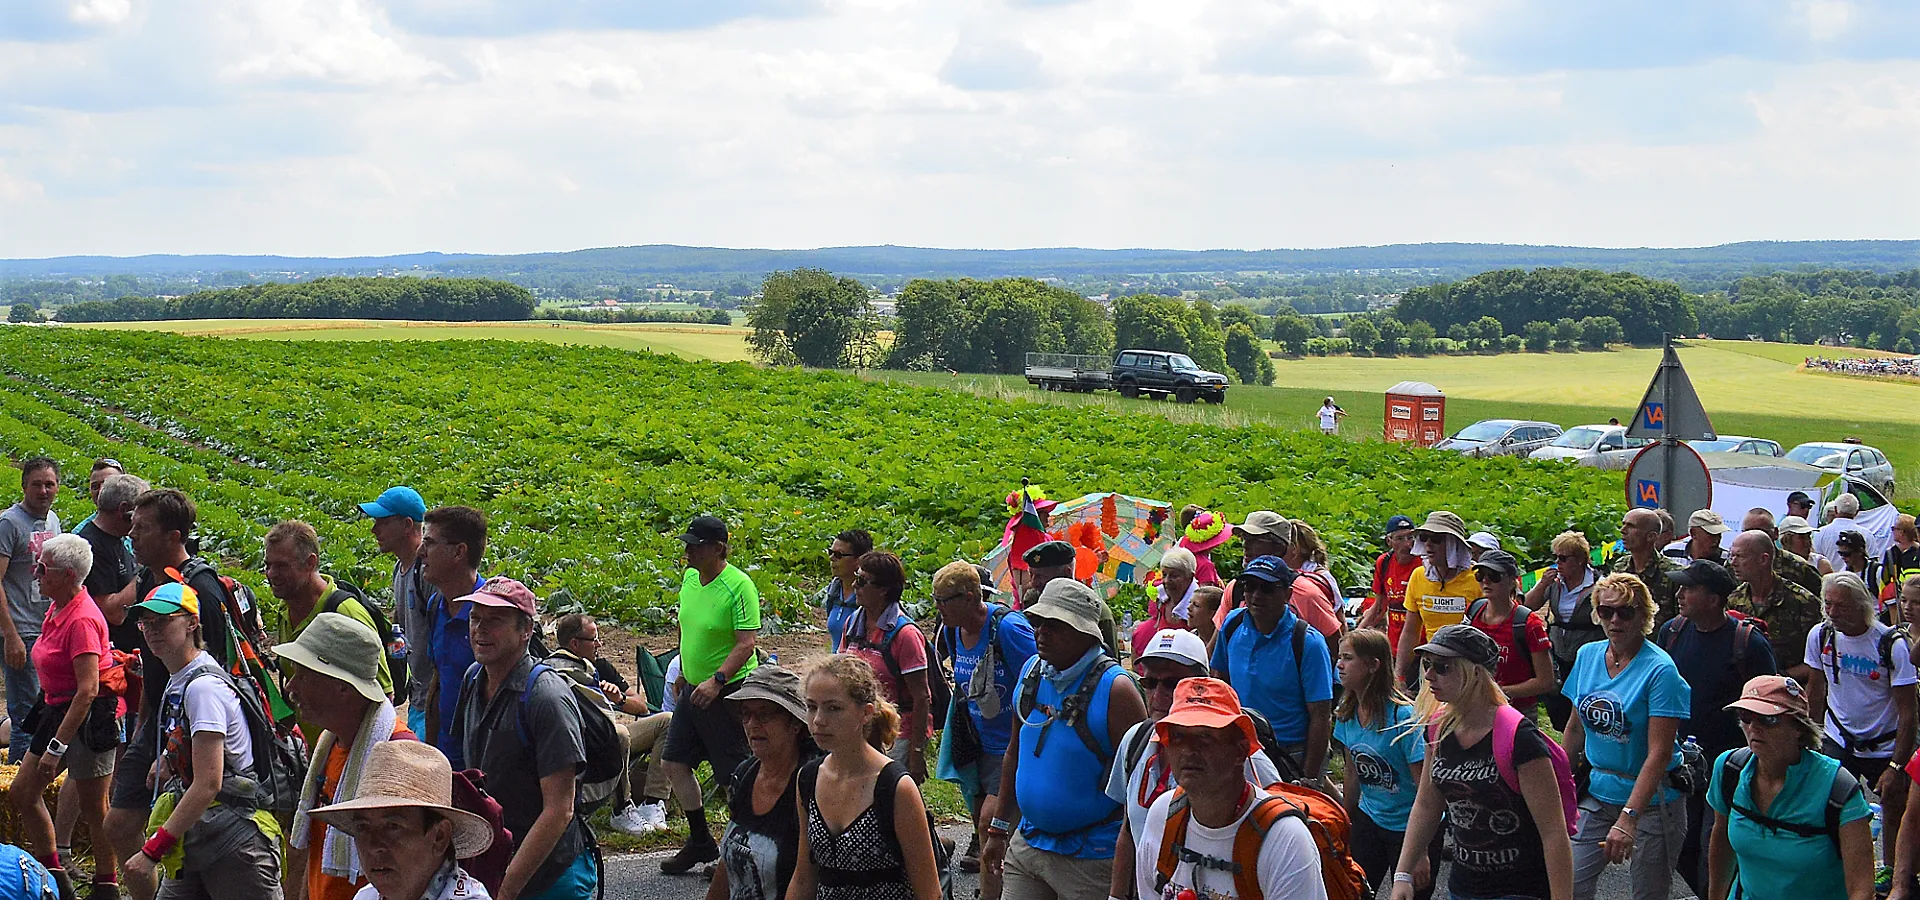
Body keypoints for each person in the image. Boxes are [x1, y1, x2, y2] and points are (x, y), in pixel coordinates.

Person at [981, 578, 1146, 900]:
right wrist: (999, 829)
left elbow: (1140, 782)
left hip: (1093, 856)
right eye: (1039, 622)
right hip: (1027, 843)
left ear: (1085, 633)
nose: (1041, 632)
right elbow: (1014, 753)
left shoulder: (1117, 690)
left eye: (1056, 625)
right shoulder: (1032, 672)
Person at [109, 489, 237, 900]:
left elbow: (215, 679)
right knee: (119, 824)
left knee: (182, 825)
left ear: (174, 536)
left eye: (142, 529)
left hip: (193, 726)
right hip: (159, 718)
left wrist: (172, 747)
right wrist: (145, 721)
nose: (132, 536)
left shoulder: (202, 590)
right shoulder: (148, 579)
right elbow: (152, 667)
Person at [122, 581, 284, 900]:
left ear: (192, 622)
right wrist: (167, 761)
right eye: (145, 623)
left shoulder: (202, 688)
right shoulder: (182, 677)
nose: (152, 630)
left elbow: (208, 782)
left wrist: (152, 852)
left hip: (235, 840)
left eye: (164, 620)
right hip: (198, 830)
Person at [1394, 624, 1572, 900]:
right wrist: (1403, 874)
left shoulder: (1519, 737)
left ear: (1474, 673)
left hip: (1520, 891)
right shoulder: (1438, 727)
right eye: (1427, 664)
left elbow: (1553, 832)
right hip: (1463, 888)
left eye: (1442, 667)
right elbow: (1428, 803)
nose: (1428, 675)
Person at [1105, 630, 1282, 900]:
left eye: (1172, 683)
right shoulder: (1136, 741)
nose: (1158, 694)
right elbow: (1129, 831)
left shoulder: (1243, 758)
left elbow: (1272, 828)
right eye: (1150, 682)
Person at [452, 577, 592, 900]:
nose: (480, 629)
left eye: (495, 621)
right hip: (495, 866)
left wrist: (506, 889)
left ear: (526, 630)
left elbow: (560, 809)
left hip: (551, 878)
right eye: (475, 618)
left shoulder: (546, 698)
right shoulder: (473, 679)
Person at [1130, 677, 1328, 900]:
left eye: (1205, 736)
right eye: (1177, 736)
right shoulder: (1162, 815)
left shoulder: (1285, 839)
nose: (1188, 750)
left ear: (1240, 751)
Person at [1561, 573, 1690, 900]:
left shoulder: (1661, 670)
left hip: (1651, 801)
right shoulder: (1588, 655)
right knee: (1568, 883)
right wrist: (1559, 786)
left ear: (1644, 615)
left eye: (1626, 612)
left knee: (1648, 893)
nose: (1615, 620)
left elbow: (1659, 753)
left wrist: (1629, 818)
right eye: (1606, 612)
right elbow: (1575, 728)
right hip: (1598, 791)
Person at [1656, 558, 1776, 896]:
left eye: (1689, 589)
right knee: (1681, 850)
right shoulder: (1672, 632)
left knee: (1716, 856)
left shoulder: (1748, 644)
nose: (1679, 594)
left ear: (1713, 599)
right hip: (1680, 767)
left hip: (1729, 768)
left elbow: (1771, 704)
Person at [14, 534, 119, 900]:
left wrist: (57, 747)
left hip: (87, 720)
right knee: (23, 793)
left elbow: (88, 690)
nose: (35, 574)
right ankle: (56, 878)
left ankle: (107, 884)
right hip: (54, 708)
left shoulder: (83, 620)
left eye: (43, 568)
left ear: (67, 575)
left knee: (94, 808)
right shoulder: (56, 606)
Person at [283, 613, 417, 900]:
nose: (290, 688)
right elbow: (318, 843)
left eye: (303, 676)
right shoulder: (328, 743)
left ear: (343, 686)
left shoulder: (397, 755)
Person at [788, 655, 941, 900]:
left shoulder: (895, 787)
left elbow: (929, 892)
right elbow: (805, 875)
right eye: (811, 706)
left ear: (866, 713)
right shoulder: (808, 778)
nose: (818, 720)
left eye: (833, 708)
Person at [1709, 675, 1874, 900]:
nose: (1753, 727)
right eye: (1746, 716)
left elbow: (1862, 890)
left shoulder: (1838, 789)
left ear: (1798, 727)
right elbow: (1721, 842)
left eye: (1768, 719)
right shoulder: (1729, 770)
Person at [661, 515, 760, 875]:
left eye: (696, 545)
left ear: (718, 548)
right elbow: (689, 629)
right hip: (693, 688)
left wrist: (717, 680)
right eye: (687, 544)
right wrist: (684, 670)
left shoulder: (739, 586)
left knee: (732, 774)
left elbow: (747, 644)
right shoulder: (690, 578)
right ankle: (701, 840)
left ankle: (740, 847)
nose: (688, 550)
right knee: (673, 763)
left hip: (727, 691)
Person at [932, 561, 1035, 888]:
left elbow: (1035, 679)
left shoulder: (1008, 628)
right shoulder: (950, 629)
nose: (939, 608)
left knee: (991, 824)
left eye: (944, 601)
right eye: (935, 600)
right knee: (985, 825)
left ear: (971, 597)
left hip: (1010, 747)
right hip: (976, 744)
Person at [1805, 570, 1915, 865]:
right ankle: (1837, 869)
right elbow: (1815, 691)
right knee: (1830, 808)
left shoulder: (1891, 644)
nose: (1832, 612)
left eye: (1840, 606)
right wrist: (1808, 740)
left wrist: (1896, 765)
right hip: (1839, 735)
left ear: (1860, 605)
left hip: (1884, 742)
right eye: (1827, 604)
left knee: (1894, 810)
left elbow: (1907, 711)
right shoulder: (1821, 636)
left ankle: (1891, 872)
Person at [307, 740, 497, 900]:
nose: (373, 846)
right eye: (362, 827)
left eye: (393, 827)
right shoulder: (367, 896)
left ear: (439, 837)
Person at [1210, 555, 1334, 784]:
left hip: (1289, 751)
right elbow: (1219, 679)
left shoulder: (1307, 643)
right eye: (1250, 586)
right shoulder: (1233, 624)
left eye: (1267, 588)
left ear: (1287, 594)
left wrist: (1308, 778)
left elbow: (1321, 716)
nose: (1256, 595)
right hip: (1242, 746)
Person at [1333, 629, 1437, 899]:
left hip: (1410, 827)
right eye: (1339, 657)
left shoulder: (1403, 717)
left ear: (1372, 665)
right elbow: (1352, 774)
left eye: (1348, 658)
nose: (1339, 665)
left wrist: (1422, 850)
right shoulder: (1347, 713)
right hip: (1371, 818)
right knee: (1353, 892)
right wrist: (1346, 824)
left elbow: (1425, 789)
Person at [264, 521, 394, 731]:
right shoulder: (284, 610)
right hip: (316, 752)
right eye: (268, 565)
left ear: (310, 563)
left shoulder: (345, 612)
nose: (271, 574)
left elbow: (383, 694)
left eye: (281, 566)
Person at [551, 614, 673, 837]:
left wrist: (619, 699)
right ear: (575, 644)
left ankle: (653, 802)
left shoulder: (601, 666)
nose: (599, 644)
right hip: (583, 741)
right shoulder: (555, 671)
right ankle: (621, 808)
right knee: (619, 733)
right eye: (594, 639)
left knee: (668, 721)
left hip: (612, 734)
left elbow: (642, 707)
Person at [708, 666, 814, 900]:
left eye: (764, 715)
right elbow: (728, 863)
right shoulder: (745, 775)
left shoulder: (810, 785)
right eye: (746, 714)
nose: (752, 724)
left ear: (795, 724)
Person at [837, 551, 931, 780]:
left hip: (896, 734)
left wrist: (916, 752)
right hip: (860, 729)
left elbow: (922, 697)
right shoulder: (853, 624)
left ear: (883, 589)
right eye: (855, 578)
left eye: (862, 581)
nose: (855, 585)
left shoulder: (905, 635)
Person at [2, 456, 63, 762]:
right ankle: (18, 794)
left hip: (47, 629)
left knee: (44, 709)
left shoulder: (53, 521)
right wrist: (9, 636)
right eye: (37, 484)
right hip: (21, 630)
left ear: (57, 487)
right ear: (24, 485)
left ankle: (31, 788)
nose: (43, 491)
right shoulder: (9, 524)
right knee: (25, 716)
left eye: (49, 484)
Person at [358, 486, 430, 740]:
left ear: (408, 525)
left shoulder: (428, 572)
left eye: (383, 522)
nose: (374, 530)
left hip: (436, 705)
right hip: (419, 700)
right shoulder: (399, 569)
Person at [420, 506, 486, 768]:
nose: (420, 552)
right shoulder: (437, 605)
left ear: (459, 552)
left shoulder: (490, 614)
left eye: (430, 543)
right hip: (445, 763)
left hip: (481, 770)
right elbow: (438, 682)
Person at [1393, 511, 1482, 686]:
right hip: (1431, 669)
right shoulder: (1419, 576)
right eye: (1425, 538)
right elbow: (1411, 632)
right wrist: (1399, 675)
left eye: (1437, 539)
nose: (1428, 544)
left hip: (1469, 670)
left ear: (1453, 544)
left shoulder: (1479, 577)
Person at [1464, 550, 1556, 712]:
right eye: (1480, 575)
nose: (1485, 580)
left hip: (1517, 712)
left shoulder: (1528, 623)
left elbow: (1546, 681)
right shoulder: (1473, 611)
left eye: (1493, 575)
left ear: (1512, 581)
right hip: (1475, 707)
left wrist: (1498, 692)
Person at [1729, 529, 1821, 683]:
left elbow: (1818, 660)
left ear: (1763, 559)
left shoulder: (1802, 602)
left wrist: (1780, 677)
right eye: (1732, 556)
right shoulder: (1734, 600)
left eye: (1740, 556)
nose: (1733, 563)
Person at [1530, 530, 1600, 730]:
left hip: (1587, 650)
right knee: (1556, 702)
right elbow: (1529, 605)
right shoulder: (1554, 583)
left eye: (1563, 558)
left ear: (1579, 560)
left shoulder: (1597, 583)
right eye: (1556, 558)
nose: (1557, 563)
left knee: (1582, 701)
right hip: (1558, 650)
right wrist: (1543, 583)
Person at [81, 473, 147, 661]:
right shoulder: (92, 547)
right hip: (111, 658)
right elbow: (113, 613)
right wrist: (147, 570)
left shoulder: (118, 539)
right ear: (123, 510)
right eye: (139, 513)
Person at [1021, 541, 1119, 657]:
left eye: (1041, 576)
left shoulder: (1096, 612)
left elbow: (1110, 662)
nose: (1034, 583)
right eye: (1031, 575)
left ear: (1067, 573)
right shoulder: (1033, 600)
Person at [1607, 508, 1681, 630]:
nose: (1623, 531)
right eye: (1623, 524)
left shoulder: (1673, 573)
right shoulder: (1620, 566)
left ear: (1651, 536)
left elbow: (1682, 621)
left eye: (1631, 527)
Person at [1359, 514, 1419, 651]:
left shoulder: (1424, 564)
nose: (1407, 544)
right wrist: (1357, 633)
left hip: (1420, 644)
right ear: (1389, 541)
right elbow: (1380, 606)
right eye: (1400, 538)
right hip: (1394, 644)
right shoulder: (1384, 563)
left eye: (1410, 537)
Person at [1743, 508, 1824, 596]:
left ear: (1776, 533)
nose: (1754, 537)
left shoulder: (1798, 567)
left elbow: (1821, 600)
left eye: (1762, 532)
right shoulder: (1734, 565)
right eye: (1748, 532)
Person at [1131, 547, 1195, 659]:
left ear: (1190, 577)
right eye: (1164, 575)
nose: (1166, 581)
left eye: (1174, 576)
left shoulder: (1197, 607)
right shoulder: (1160, 600)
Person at [816, 531, 872, 654]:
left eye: (838, 555)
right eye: (830, 552)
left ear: (859, 560)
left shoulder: (871, 597)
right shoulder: (834, 590)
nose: (831, 558)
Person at [1815, 492, 1865, 564]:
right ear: (1857, 512)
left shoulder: (1819, 533)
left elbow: (1815, 560)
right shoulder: (1866, 534)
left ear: (1835, 510)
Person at [1833, 530, 1883, 598]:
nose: (1843, 557)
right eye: (1840, 553)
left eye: (1846, 554)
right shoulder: (1843, 573)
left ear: (1860, 551)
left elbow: (1892, 604)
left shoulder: (1877, 572)